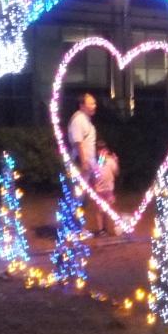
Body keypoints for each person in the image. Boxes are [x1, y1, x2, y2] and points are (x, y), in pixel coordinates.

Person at [67, 92, 102, 232]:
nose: (94, 106)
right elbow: (78, 142)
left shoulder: (86, 120)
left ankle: (78, 227)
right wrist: (84, 162)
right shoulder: (79, 120)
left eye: (94, 103)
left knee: (82, 197)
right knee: (78, 196)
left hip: (87, 163)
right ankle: (75, 228)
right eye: (91, 103)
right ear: (82, 105)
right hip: (81, 163)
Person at [93, 141, 120, 236]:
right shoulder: (96, 162)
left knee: (110, 209)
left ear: (107, 150)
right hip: (99, 190)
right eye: (99, 149)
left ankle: (114, 227)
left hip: (109, 189)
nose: (101, 151)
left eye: (103, 149)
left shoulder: (110, 161)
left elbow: (116, 173)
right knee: (100, 210)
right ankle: (101, 230)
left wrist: (116, 161)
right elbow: (96, 173)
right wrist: (101, 160)